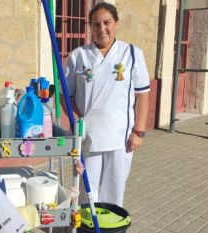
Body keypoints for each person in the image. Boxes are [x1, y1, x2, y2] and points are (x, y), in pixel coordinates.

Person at [63, 2, 150, 207]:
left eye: (106, 23)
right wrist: (78, 121)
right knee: (88, 192)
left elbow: (143, 96)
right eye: (96, 24)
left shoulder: (131, 54)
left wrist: (139, 132)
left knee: (114, 191)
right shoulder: (78, 56)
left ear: (116, 24)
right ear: (90, 27)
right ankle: (87, 228)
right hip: (89, 139)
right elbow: (67, 96)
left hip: (121, 139)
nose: (101, 29)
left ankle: (111, 228)